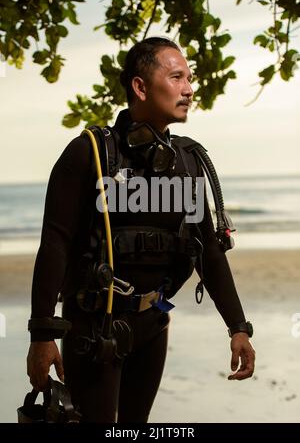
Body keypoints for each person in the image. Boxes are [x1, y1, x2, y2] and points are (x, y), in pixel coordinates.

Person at [27, 37, 255, 423]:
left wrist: (238, 327)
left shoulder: (188, 162)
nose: (188, 88)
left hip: (154, 326)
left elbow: (209, 254)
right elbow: (55, 244)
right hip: (94, 328)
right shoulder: (90, 153)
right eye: (177, 76)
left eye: (189, 78)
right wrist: (42, 335)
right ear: (140, 86)